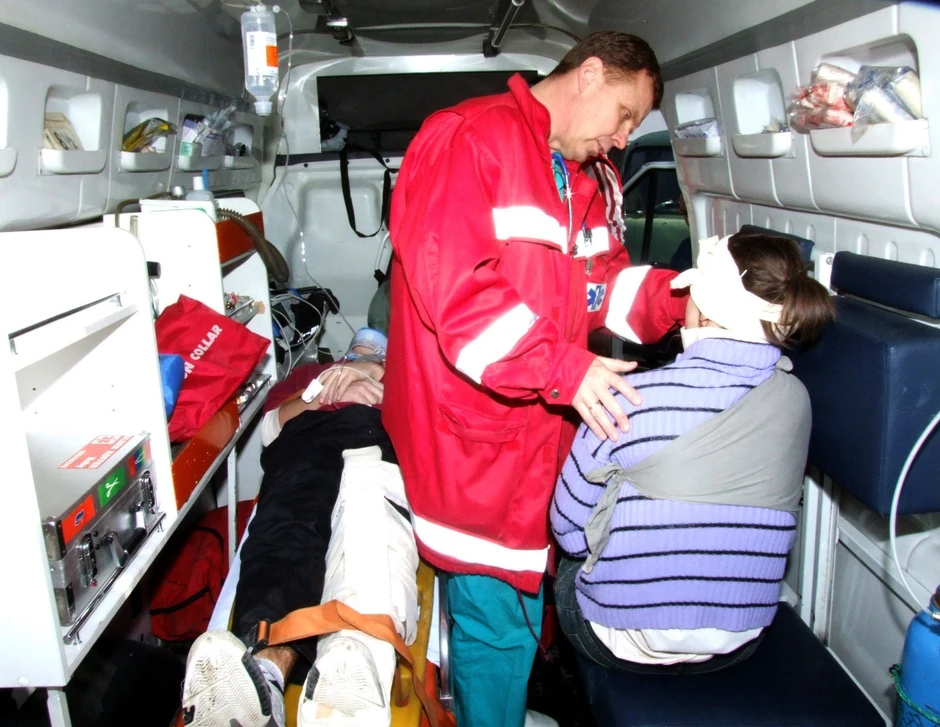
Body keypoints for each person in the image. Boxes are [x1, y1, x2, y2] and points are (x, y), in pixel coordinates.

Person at [383, 31, 688, 727]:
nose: (623, 138)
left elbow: (604, 289)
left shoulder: (586, 179)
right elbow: (459, 298)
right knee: (496, 625)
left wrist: (681, 298)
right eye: (624, 114)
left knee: (515, 614)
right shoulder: (468, 140)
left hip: (537, 436)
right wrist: (566, 369)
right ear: (589, 73)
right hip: (471, 443)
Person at [551, 231, 834, 673]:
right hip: (738, 642)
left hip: (618, 639)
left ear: (702, 313)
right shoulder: (797, 400)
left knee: (569, 568)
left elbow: (568, 531)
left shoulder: (627, 397)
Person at [180, 322, 418, 727]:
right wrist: (323, 389)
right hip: (305, 443)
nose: (365, 350)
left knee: (368, 524)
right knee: (286, 530)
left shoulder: (407, 375)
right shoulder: (309, 375)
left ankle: (353, 672)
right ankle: (262, 675)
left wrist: (381, 378)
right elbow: (270, 430)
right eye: (359, 348)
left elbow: (429, 424)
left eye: (376, 349)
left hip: (377, 440)